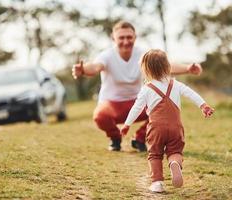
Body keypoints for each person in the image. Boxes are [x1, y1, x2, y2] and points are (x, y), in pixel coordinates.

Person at [72, 21, 203, 152]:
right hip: (111, 104)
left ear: (135, 37)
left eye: (129, 37)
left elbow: (164, 66)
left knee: (163, 109)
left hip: (137, 102)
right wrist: (83, 70)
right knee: (100, 116)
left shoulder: (142, 54)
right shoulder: (106, 55)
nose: (125, 41)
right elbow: (95, 67)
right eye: (121, 38)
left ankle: (140, 138)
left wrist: (187, 68)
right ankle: (115, 138)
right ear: (113, 38)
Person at [120, 49, 214, 193]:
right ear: (167, 67)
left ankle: (157, 183)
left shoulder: (147, 88)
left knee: (155, 154)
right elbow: (191, 94)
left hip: (156, 129)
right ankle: (174, 163)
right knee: (175, 151)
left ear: (146, 70)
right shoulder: (175, 84)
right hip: (176, 127)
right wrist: (203, 105)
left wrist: (127, 124)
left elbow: (136, 108)